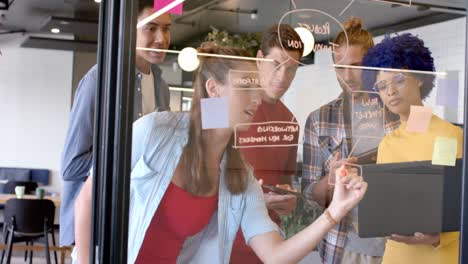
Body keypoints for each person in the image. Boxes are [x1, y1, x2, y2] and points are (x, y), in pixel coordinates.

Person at [74, 43, 368, 264]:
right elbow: (88, 198)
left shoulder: (238, 174)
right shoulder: (154, 131)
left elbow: (275, 254)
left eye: (258, 87)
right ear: (213, 88)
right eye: (246, 87)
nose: (256, 98)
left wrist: (335, 212)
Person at [60, 0, 171, 247]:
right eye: (151, 28)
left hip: (136, 224)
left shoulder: (161, 86)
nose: (161, 38)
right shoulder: (100, 80)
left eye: (166, 29)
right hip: (98, 226)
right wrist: (130, 160)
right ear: (130, 30)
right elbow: (71, 165)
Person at [302, 17, 398, 264]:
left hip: (396, 244)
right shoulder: (319, 119)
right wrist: (330, 180)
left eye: (355, 65)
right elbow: (310, 197)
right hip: (342, 248)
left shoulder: (398, 114)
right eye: (339, 67)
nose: (347, 76)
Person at [362, 33, 463, 264]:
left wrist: (438, 237)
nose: (390, 92)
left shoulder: (447, 136)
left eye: (398, 80)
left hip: (438, 257)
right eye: (382, 86)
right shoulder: (387, 144)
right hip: (396, 255)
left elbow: (455, 206)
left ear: (419, 78)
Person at [230, 24, 302, 264]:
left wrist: (286, 200)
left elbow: (285, 184)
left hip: (267, 247)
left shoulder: (291, 122)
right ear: (260, 59)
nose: (282, 77)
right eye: (277, 64)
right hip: (221, 242)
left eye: (291, 69)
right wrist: (253, 198)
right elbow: (199, 177)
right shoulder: (223, 105)